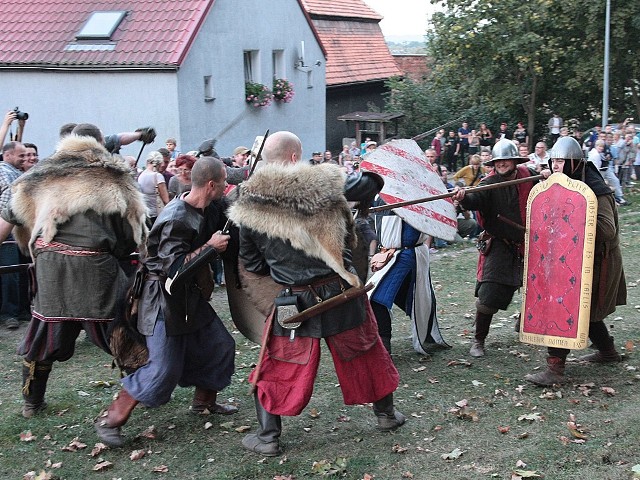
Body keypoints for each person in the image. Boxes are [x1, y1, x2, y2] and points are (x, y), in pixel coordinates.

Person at [229, 131, 405, 457]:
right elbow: (371, 182)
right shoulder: (325, 184)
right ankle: (386, 415)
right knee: (367, 352)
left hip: (293, 300)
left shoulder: (248, 205)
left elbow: (252, 262)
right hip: (340, 292)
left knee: (277, 364)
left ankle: (268, 436)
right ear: (296, 157)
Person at [0, 123, 148, 417]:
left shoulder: (37, 175)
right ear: (100, 143)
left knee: (42, 335)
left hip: (50, 269)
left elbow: (10, 220)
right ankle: (135, 397)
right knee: (123, 331)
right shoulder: (114, 177)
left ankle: (32, 403)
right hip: (97, 270)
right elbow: (131, 236)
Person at [95, 156, 237, 447]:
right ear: (211, 185)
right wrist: (210, 248)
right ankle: (111, 419)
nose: (226, 186)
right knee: (163, 368)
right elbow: (173, 271)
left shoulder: (205, 207)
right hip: (162, 301)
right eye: (223, 182)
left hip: (189, 299)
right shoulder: (176, 217)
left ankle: (204, 402)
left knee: (220, 346)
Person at [525, 136, 626, 386]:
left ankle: (555, 370)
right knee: (583, 310)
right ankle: (608, 352)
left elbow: (606, 229)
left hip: (597, 261)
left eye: (561, 161)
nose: (556, 166)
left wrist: (570, 217)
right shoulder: (563, 184)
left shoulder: (595, 190)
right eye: (554, 161)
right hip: (569, 259)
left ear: (575, 163)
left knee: (565, 306)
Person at [451, 139, 548, 357]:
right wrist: (464, 197)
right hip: (500, 244)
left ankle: (526, 324)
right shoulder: (489, 183)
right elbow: (475, 198)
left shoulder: (528, 175)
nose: (502, 164)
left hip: (530, 243)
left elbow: (547, 190)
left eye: (506, 160)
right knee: (489, 294)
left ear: (515, 160)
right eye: (498, 161)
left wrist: (547, 177)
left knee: (540, 286)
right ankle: (478, 340)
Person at [369, 204, 450, 355]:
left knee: (377, 298)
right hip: (390, 253)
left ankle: (384, 350)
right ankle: (428, 333)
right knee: (405, 296)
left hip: (406, 254)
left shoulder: (412, 196)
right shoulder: (380, 194)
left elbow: (423, 223)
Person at [137, 151, 170, 225]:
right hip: (157, 215)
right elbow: (166, 200)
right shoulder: (158, 176)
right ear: (160, 163)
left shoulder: (140, 176)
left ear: (147, 162)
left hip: (145, 214)